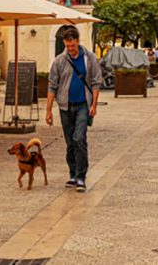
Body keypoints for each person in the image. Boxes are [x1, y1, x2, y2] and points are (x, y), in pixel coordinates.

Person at [46, 26, 102, 193]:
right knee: (70, 142)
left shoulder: (89, 58)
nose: (70, 49)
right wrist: (48, 111)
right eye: (67, 46)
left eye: (73, 46)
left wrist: (94, 104)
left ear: (77, 41)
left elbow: (96, 82)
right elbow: (52, 86)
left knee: (79, 138)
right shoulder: (59, 60)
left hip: (83, 104)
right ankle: (72, 173)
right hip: (65, 105)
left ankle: (81, 176)